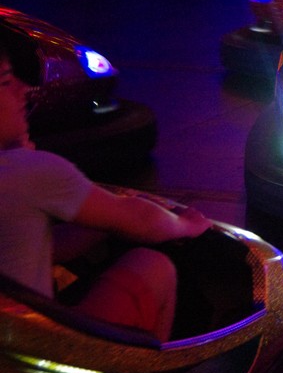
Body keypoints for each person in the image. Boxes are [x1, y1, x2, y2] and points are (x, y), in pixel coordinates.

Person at [0, 44, 212, 341]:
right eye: (5, 81)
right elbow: (142, 220)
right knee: (153, 266)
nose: (24, 90)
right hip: (35, 349)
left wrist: (99, 226)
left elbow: (38, 249)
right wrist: (185, 224)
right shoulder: (29, 171)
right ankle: (153, 365)